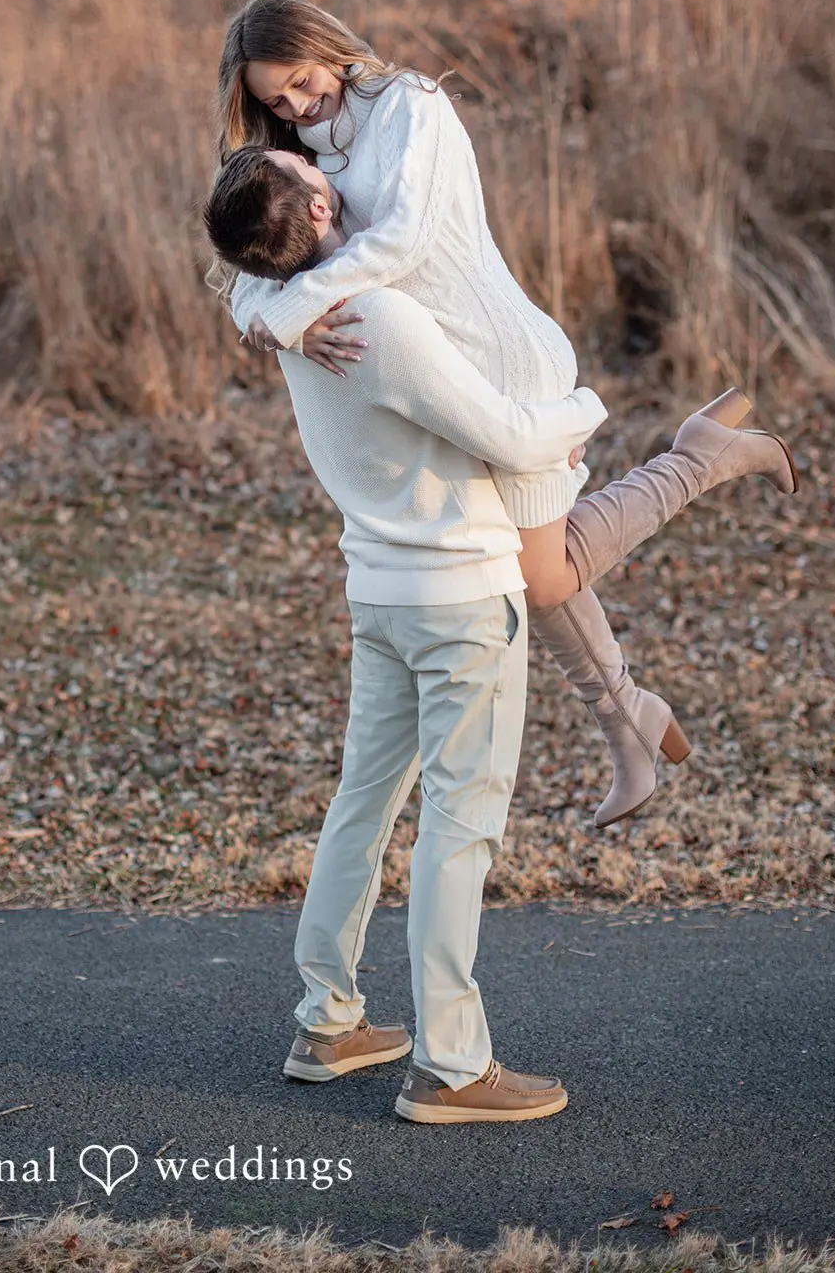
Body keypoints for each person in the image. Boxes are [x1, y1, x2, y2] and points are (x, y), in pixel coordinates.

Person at [208, 0, 798, 827]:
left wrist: (298, 307)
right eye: (276, 103)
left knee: (539, 572)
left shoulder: (411, 106)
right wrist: (274, 320)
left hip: (503, 362)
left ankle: (699, 457)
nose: (298, 110)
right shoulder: (292, 154)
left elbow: (404, 239)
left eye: (302, 84)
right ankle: (629, 726)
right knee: (527, 567)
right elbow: (243, 271)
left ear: (326, 48)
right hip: (433, 382)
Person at [204, 146, 611, 1121]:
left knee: (364, 800)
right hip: (459, 597)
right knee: (457, 826)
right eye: (297, 157)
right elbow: (511, 438)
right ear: (314, 198)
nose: (314, 152)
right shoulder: (376, 318)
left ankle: (329, 1017)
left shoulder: (301, 324)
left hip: (377, 593)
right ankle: (451, 1066)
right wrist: (587, 407)